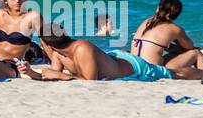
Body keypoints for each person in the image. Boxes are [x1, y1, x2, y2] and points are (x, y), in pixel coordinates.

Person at [27, 25, 188, 81]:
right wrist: (31, 72)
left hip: (132, 66)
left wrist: (61, 76)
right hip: (111, 59)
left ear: (46, 43)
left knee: (172, 74)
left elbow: (90, 81)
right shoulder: (58, 53)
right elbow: (52, 75)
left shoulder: (82, 48)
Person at [129, 0, 203, 73]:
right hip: (152, 70)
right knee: (196, 53)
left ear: (158, 8)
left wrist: (172, 48)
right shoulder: (174, 29)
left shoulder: (146, 22)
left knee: (171, 54)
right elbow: (189, 47)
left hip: (135, 67)